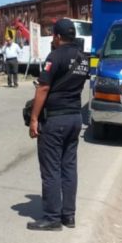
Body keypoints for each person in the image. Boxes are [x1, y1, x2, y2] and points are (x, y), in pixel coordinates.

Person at [27, 19, 89, 231]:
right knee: (69, 167)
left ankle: (52, 218)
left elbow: (43, 88)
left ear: (57, 36)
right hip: (74, 118)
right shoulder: (83, 58)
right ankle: (68, 215)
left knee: (51, 169)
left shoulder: (55, 56)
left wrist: (34, 118)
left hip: (55, 119)